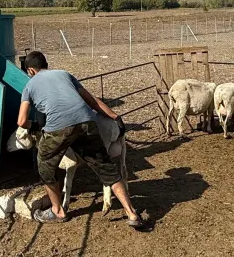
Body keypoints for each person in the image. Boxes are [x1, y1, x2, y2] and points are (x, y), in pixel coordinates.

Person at [17, 50, 148, 230]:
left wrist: (36, 126)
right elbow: (92, 101)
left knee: (45, 165)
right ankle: (132, 213)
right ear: (46, 64)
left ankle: (57, 211)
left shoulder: (30, 86)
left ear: (30, 70)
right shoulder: (64, 74)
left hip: (58, 127)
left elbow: (21, 121)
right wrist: (115, 116)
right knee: (106, 167)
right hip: (86, 121)